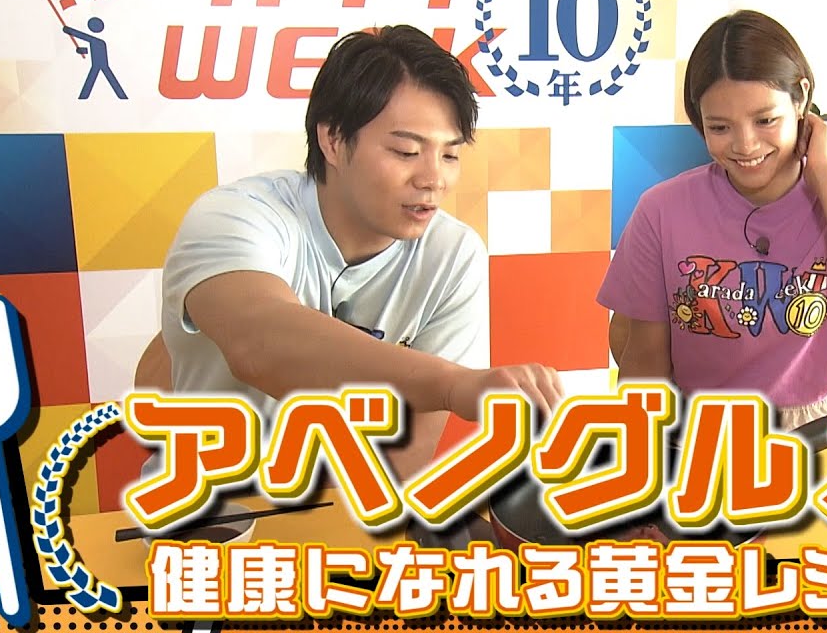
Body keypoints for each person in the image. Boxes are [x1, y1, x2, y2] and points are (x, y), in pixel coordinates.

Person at [138, 25, 564, 484]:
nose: (433, 179)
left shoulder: (454, 255)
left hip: (350, 511)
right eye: (406, 151)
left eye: (449, 156)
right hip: (208, 504)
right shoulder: (235, 215)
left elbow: (406, 457)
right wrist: (455, 384)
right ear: (334, 141)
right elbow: (258, 346)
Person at [599, 10, 827, 433]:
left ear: (800, 98)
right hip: (706, 430)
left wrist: (825, 173)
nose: (746, 145)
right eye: (720, 127)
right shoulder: (661, 210)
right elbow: (644, 359)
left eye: (765, 120)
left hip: (824, 427)